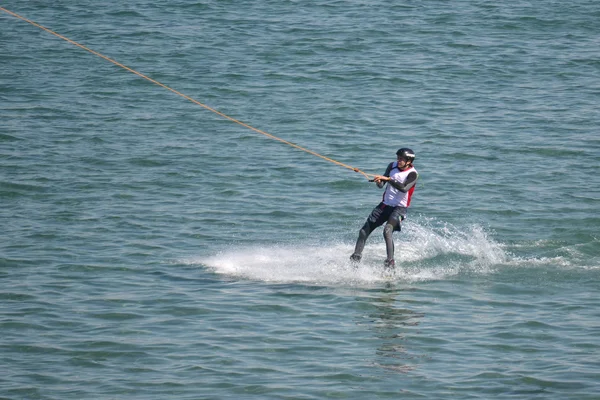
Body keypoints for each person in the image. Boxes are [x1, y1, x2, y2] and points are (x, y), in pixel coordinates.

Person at [350, 148, 418, 269]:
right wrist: (379, 181)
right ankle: (355, 259)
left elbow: (404, 188)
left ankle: (390, 262)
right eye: (398, 158)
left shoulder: (412, 174)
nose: (398, 161)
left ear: (409, 161)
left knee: (387, 230)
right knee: (363, 231)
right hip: (384, 205)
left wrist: (389, 179)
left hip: (399, 209)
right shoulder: (392, 166)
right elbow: (382, 185)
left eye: (401, 159)